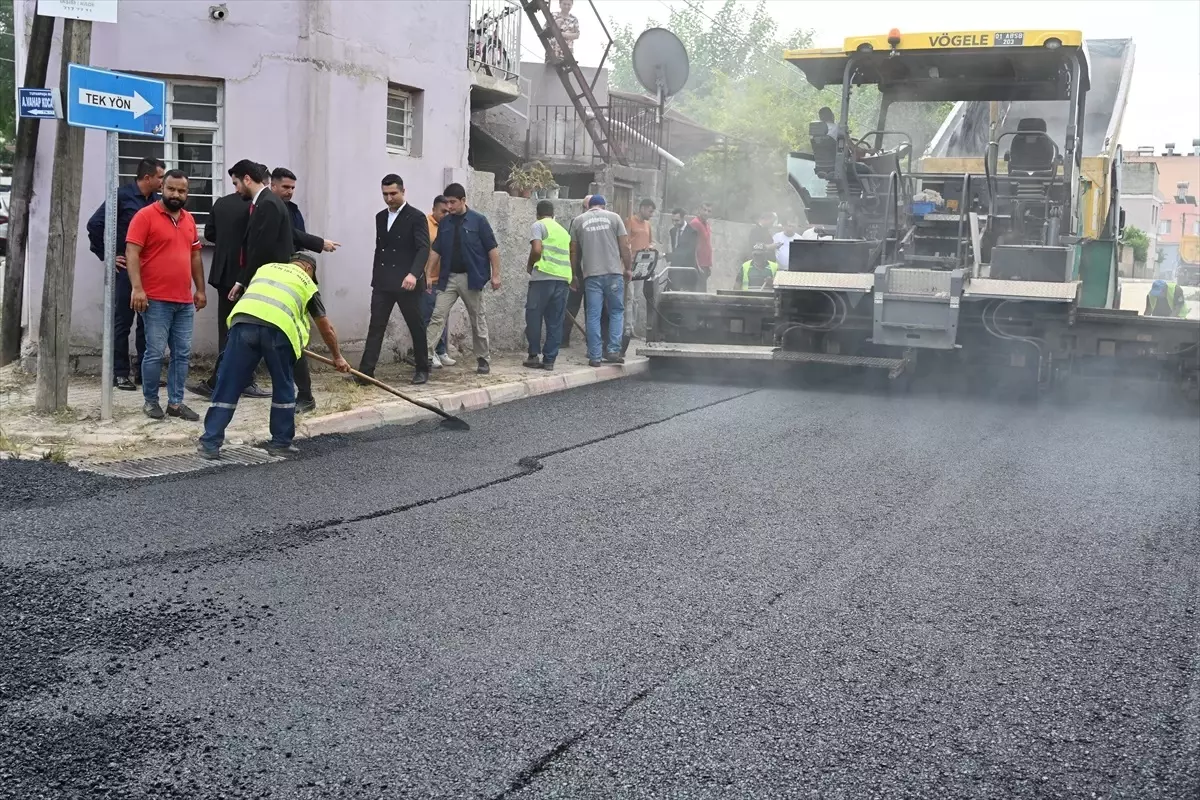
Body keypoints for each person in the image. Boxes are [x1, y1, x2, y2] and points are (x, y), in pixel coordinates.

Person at [198, 253, 350, 459]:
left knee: (228, 384)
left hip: (242, 325)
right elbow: (326, 328)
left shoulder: (265, 269)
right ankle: (280, 443)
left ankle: (210, 443)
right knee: (283, 385)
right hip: (278, 332)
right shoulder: (306, 282)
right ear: (307, 268)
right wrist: (338, 357)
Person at [125, 170, 205, 421]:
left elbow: (195, 256)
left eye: (181, 191)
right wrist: (137, 288)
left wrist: (200, 289)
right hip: (155, 299)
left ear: (187, 193)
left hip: (183, 300)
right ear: (162, 188)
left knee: (182, 353)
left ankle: (176, 403)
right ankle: (150, 402)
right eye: (171, 189)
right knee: (155, 352)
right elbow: (132, 253)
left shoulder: (189, 220)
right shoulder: (145, 216)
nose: (176, 194)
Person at [85, 156, 164, 390]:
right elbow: (94, 224)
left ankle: (143, 372)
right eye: (160, 177)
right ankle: (119, 373)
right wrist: (108, 256)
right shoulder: (122, 196)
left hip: (150, 271)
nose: (163, 181)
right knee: (123, 322)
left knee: (147, 323)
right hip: (126, 271)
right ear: (147, 177)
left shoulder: (157, 202)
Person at [193, 169, 270, 400]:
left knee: (226, 330)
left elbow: (210, 233)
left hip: (223, 272)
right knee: (248, 329)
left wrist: (228, 245)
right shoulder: (258, 206)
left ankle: (221, 380)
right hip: (246, 275)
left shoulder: (222, 204)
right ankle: (241, 380)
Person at [269, 166, 341, 412]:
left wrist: (338, 356)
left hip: (291, 278)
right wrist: (320, 242)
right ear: (273, 185)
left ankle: (305, 396)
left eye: (292, 188)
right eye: (285, 187)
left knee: (293, 339)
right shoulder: (266, 208)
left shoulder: (292, 211)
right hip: (269, 277)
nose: (289, 192)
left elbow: (296, 238)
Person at [358, 174, 432, 385]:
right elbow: (380, 249)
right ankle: (365, 373)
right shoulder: (380, 217)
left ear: (403, 191)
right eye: (385, 194)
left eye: (393, 193)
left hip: (406, 281)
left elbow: (423, 248)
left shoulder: (416, 217)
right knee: (376, 326)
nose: (389, 198)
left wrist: (413, 274)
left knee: (416, 325)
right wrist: (376, 277)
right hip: (383, 281)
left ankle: (422, 368)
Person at [426, 182, 500, 375]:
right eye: (447, 203)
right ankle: (424, 356)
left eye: (452, 202)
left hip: (471, 278)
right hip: (448, 278)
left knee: (477, 318)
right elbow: (436, 250)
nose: (449, 207)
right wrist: (427, 273)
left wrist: (496, 275)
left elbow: (492, 249)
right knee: (437, 315)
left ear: (463, 201)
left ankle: (483, 359)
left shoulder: (479, 221)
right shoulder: (445, 223)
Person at [569, 194, 631, 366]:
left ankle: (595, 356)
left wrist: (574, 274)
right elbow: (624, 246)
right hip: (613, 274)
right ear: (604, 205)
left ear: (589, 206)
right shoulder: (614, 217)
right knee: (616, 312)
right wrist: (628, 268)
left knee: (593, 315)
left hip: (591, 276)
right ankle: (612, 350)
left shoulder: (578, 221)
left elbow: (573, 251)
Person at [227, 160, 294, 303]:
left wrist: (244, 282)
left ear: (247, 179)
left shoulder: (268, 204)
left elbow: (262, 250)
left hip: (269, 283)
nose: (236, 189)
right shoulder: (263, 202)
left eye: (236, 183)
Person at [524, 200, 572, 370]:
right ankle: (550, 360)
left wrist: (530, 264)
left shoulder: (538, 225)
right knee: (555, 321)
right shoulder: (563, 231)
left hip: (543, 278)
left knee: (534, 316)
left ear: (537, 213)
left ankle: (533, 356)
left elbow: (536, 250)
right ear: (553, 214)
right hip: (562, 279)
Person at [422, 195, 454, 367]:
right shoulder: (425, 224)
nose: (445, 215)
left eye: (448, 212)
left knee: (442, 317)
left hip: (443, 280)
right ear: (433, 209)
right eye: (442, 211)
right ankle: (429, 352)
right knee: (429, 317)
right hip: (428, 280)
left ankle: (441, 351)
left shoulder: (448, 226)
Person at [625, 198, 657, 348]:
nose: (651, 215)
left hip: (642, 265)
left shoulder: (648, 225)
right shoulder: (629, 221)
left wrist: (649, 247)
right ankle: (626, 328)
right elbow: (624, 242)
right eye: (650, 211)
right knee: (629, 297)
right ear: (643, 208)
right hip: (630, 264)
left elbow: (652, 242)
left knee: (637, 297)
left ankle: (633, 327)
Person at [673, 202, 713, 291]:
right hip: (697, 266)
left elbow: (705, 244)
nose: (706, 213)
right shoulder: (695, 223)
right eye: (704, 210)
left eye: (709, 211)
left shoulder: (706, 224)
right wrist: (697, 266)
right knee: (697, 295)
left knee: (703, 294)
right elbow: (691, 247)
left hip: (704, 265)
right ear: (699, 210)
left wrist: (708, 265)